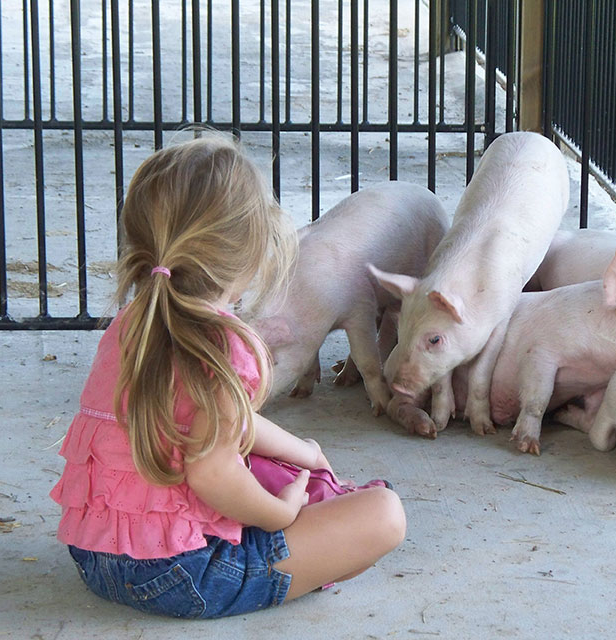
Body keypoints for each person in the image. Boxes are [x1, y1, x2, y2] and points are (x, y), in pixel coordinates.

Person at [49, 136, 406, 618]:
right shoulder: (229, 345)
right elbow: (212, 471)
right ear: (251, 253)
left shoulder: (134, 320)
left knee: (265, 468)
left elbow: (222, 425)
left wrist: (305, 451)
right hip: (181, 575)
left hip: (94, 556)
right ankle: (293, 555)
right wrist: (279, 513)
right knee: (384, 515)